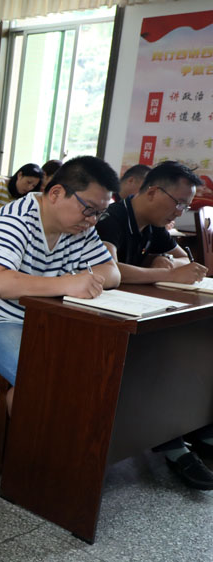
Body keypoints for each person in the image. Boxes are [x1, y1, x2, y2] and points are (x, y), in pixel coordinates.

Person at [0, 156, 121, 415]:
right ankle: (24, 434)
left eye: (100, 213)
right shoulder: (15, 220)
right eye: (89, 209)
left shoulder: (80, 227)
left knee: (99, 367)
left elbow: (112, 272)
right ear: (56, 193)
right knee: (47, 375)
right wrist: (67, 282)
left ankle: (24, 423)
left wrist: (77, 279)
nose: (93, 220)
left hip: (40, 320)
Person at [95, 160, 213, 489]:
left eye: (186, 206)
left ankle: (195, 425)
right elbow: (109, 269)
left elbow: (183, 261)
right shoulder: (113, 218)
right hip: (103, 318)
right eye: (178, 203)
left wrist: (166, 261)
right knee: (160, 354)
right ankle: (171, 444)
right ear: (152, 192)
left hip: (137, 309)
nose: (179, 212)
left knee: (190, 347)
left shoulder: (153, 225)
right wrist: (162, 271)